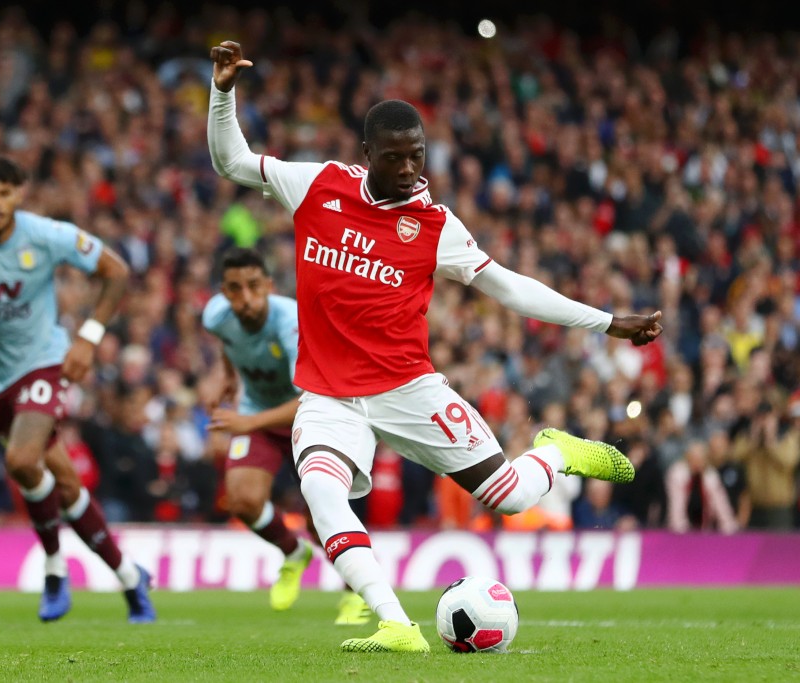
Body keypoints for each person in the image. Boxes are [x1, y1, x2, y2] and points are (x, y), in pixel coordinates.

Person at [208, 41, 664, 653]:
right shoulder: (317, 186)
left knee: (511, 497)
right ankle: (396, 624)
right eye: (393, 158)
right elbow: (232, 161)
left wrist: (608, 322)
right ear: (367, 153)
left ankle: (555, 453)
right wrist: (223, 91)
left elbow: (512, 290)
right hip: (329, 394)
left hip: (406, 389)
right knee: (320, 489)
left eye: (416, 156)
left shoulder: (436, 226)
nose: (408, 170)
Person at [0, 155, 155, 624]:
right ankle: (131, 580)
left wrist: (88, 338)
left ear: (19, 194)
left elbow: (115, 271)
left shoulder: (46, 234)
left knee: (21, 461)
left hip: (43, 362)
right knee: (65, 483)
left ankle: (55, 570)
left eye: (3, 193)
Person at [201, 247, 370, 624]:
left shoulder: (290, 321)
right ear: (223, 293)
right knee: (242, 500)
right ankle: (293, 552)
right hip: (258, 412)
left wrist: (248, 422)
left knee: (321, 517)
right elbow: (229, 343)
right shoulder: (215, 316)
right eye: (234, 289)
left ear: (269, 286)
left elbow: (307, 396)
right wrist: (229, 378)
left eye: (253, 286)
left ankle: (356, 593)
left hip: (309, 415)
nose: (245, 298)